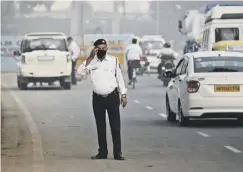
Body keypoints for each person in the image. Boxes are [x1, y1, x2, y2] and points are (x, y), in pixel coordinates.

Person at [77, 39, 127, 160]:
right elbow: (80, 72)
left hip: (112, 97)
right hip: (98, 99)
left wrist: (123, 95)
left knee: (115, 127)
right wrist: (89, 57)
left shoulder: (113, 60)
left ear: (107, 49)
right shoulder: (91, 62)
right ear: (95, 49)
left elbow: (119, 78)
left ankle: (117, 153)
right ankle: (102, 152)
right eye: (99, 48)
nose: (102, 50)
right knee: (100, 127)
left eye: (104, 48)